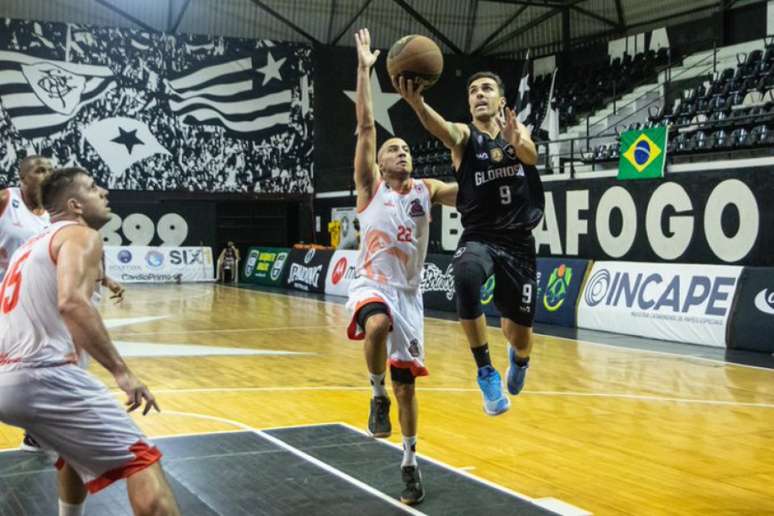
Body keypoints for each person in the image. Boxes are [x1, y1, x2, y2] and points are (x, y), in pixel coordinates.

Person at [0, 167, 180, 516]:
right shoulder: (81, 236)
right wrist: (122, 372)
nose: (105, 192)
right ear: (75, 205)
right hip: (45, 377)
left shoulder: (29, 246)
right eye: (94, 188)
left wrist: (104, 280)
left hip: (8, 379)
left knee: (72, 453)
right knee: (142, 461)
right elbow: (71, 302)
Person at [345, 29, 458, 506]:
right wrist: (366, 69)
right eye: (395, 150)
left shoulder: (425, 189)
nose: (402, 152)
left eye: (406, 149)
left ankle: (409, 461)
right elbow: (367, 129)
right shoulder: (370, 188)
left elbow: (469, 190)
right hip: (373, 283)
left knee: (408, 389)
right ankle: (375, 394)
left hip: (410, 295)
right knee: (375, 324)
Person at [397, 70, 545, 415]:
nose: (479, 94)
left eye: (487, 89)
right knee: (464, 274)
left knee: (518, 334)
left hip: (518, 243)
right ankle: (485, 371)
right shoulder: (465, 138)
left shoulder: (517, 132)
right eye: (473, 90)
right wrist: (418, 105)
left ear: (501, 101)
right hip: (480, 235)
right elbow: (443, 130)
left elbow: (532, 156)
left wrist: (516, 140)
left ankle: (520, 361)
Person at [0, 156, 125, 453]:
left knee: (47, 362)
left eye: (50, 170)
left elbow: (65, 258)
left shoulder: (54, 217)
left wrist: (104, 278)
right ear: (22, 179)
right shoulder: (7, 199)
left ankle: (38, 433)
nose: (46, 174)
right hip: (11, 297)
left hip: (36, 301)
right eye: (39, 170)